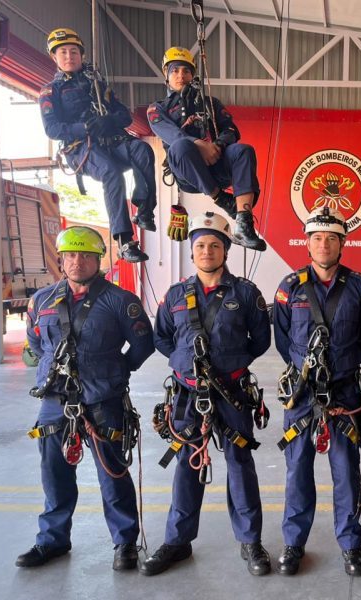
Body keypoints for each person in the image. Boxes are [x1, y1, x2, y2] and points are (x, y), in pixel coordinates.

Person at [141, 211, 272, 576]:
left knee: (240, 464)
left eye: (215, 245)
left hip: (232, 394)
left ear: (226, 250)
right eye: (200, 245)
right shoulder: (176, 294)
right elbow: (162, 338)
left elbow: (261, 339)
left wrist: (233, 364)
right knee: (186, 464)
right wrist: (185, 365)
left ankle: (250, 541)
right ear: (192, 250)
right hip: (188, 395)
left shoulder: (245, 294)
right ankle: (178, 541)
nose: (207, 251)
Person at [17, 225, 154, 570]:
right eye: (71, 255)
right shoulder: (42, 300)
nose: (77, 262)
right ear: (61, 259)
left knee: (113, 473)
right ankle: (52, 541)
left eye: (85, 256)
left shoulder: (121, 301)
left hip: (102, 400)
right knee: (54, 474)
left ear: (98, 260)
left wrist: (114, 371)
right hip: (54, 401)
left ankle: (125, 543)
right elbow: (36, 344)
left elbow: (142, 345)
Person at [273, 206, 361, 576]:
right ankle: (294, 543)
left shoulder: (360, 286)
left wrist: (343, 363)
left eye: (331, 238)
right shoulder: (289, 287)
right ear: (307, 243)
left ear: (342, 244)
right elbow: (284, 340)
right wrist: (308, 369)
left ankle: (350, 544)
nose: (324, 244)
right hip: (302, 394)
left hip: (346, 393)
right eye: (317, 238)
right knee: (297, 469)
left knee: (346, 471)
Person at [40, 28, 155, 262]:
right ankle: (124, 240)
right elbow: (52, 129)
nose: (69, 56)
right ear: (54, 57)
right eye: (63, 52)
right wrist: (84, 128)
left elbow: (125, 116)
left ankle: (144, 209)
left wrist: (108, 120)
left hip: (113, 142)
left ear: (81, 55)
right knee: (111, 173)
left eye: (74, 51)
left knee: (143, 149)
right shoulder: (51, 91)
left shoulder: (98, 84)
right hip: (81, 147)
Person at [148, 47, 266, 251]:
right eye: (175, 71)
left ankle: (244, 224)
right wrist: (199, 144)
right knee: (181, 145)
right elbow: (171, 135)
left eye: (186, 71)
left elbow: (231, 130)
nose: (181, 75)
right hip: (188, 172)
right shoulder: (158, 108)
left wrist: (217, 146)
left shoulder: (211, 103)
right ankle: (220, 198)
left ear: (193, 75)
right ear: (166, 75)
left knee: (243, 151)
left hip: (216, 163)